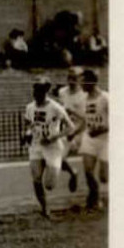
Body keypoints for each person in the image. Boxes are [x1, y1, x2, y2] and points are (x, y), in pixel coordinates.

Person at [22, 79, 74, 218]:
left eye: (38, 91)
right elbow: (27, 123)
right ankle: (45, 209)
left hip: (52, 147)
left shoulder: (55, 108)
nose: (35, 94)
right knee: (36, 178)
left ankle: (73, 173)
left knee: (49, 185)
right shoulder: (30, 107)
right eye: (34, 91)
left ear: (45, 92)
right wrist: (26, 133)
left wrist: (53, 137)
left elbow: (70, 127)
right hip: (36, 145)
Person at [77, 69, 109, 211]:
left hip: (106, 139)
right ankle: (94, 198)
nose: (81, 84)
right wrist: (74, 133)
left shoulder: (106, 98)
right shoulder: (83, 100)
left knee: (103, 176)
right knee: (88, 171)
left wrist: (102, 129)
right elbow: (85, 120)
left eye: (83, 81)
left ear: (92, 81)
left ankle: (107, 195)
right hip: (89, 138)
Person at [56, 67, 88, 194]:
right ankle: (73, 172)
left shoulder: (84, 95)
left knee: (57, 156)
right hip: (64, 130)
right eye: (69, 78)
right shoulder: (62, 92)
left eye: (74, 78)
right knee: (52, 159)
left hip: (79, 131)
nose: (71, 81)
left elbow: (86, 120)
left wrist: (73, 133)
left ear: (81, 79)